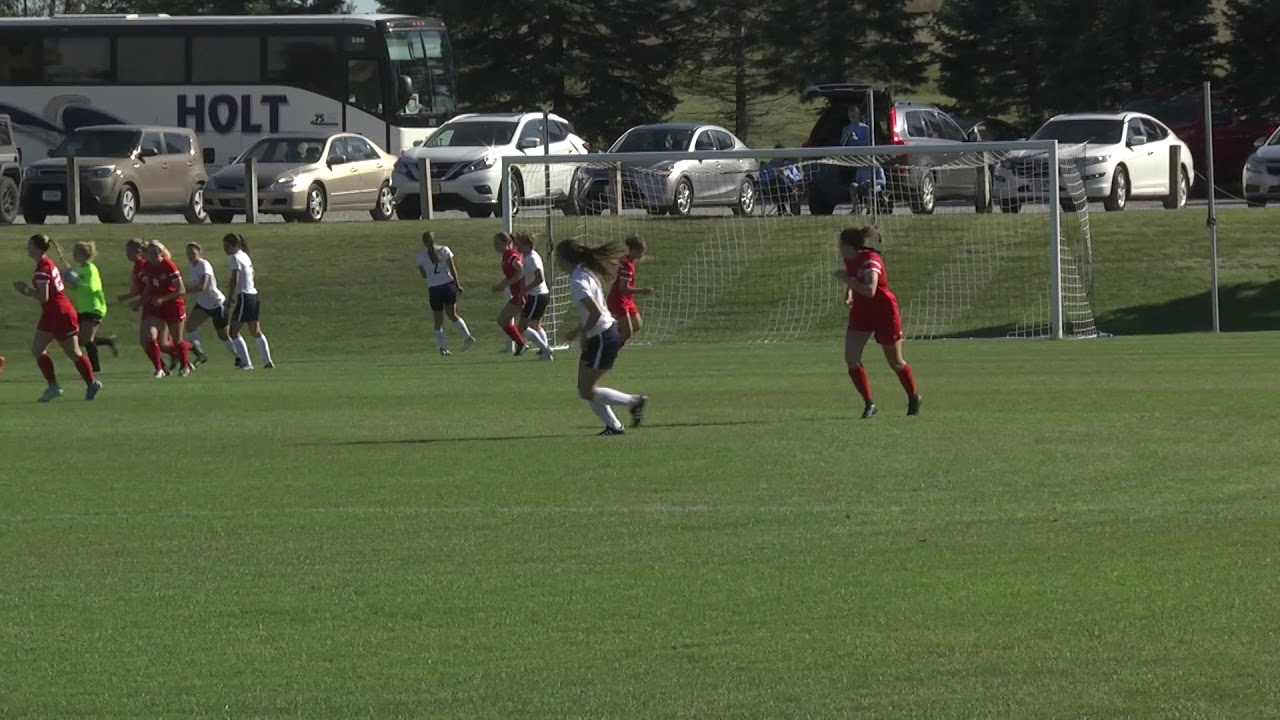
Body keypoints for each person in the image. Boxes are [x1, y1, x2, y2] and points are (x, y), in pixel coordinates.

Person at [556, 239, 647, 436]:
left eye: (557, 258)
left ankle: (634, 402)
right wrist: (580, 331)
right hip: (601, 335)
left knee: (587, 390)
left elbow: (596, 313)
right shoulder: (584, 273)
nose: (556, 262)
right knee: (585, 389)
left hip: (603, 337)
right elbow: (593, 313)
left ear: (564, 259)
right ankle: (614, 426)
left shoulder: (578, 280)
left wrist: (582, 334)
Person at [834, 226, 921, 418]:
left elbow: (870, 290)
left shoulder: (871, 261)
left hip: (884, 313)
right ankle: (869, 404)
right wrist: (849, 293)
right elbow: (855, 282)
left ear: (849, 246)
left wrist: (847, 280)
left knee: (896, 362)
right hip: (862, 313)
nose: (838, 248)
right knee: (851, 360)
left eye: (840, 244)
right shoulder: (849, 259)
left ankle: (913, 397)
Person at [11, 233, 102, 402]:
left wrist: (25, 290)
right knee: (65, 351)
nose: (27, 248)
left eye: (30, 245)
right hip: (59, 311)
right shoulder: (47, 263)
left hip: (57, 312)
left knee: (46, 350)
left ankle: (58, 386)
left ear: (37, 249)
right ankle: (87, 383)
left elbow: (43, 297)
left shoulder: (43, 268)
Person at [118, 237, 173, 373]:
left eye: (128, 251)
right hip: (148, 304)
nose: (126, 254)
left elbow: (150, 288)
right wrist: (126, 297)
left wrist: (138, 301)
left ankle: (165, 366)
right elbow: (139, 289)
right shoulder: (137, 266)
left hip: (155, 305)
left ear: (137, 251)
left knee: (151, 339)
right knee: (152, 342)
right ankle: (165, 366)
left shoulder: (144, 265)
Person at [416, 231, 475, 356]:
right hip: (448, 286)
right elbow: (452, 268)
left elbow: (424, 275)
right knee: (452, 314)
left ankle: (442, 348)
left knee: (438, 321)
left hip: (434, 288)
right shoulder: (444, 250)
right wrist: (458, 285)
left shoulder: (421, 256)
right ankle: (467, 337)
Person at [62, 241, 117, 373]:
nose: (74, 255)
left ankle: (95, 368)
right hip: (83, 308)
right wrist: (67, 279)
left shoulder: (91, 269)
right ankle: (108, 341)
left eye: (76, 253)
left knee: (87, 339)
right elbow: (76, 288)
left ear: (82, 254)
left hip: (94, 307)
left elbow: (91, 287)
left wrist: (75, 278)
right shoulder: (79, 270)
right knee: (82, 339)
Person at [140, 240, 193, 378]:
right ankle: (159, 369)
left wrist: (163, 299)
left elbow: (181, 290)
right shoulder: (147, 266)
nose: (149, 256)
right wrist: (140, 301)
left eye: (152, 253)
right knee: (149, 336)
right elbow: (149, 287)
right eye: (148, 253)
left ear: (160, 253)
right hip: (157, 308)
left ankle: (185, 365)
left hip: (173, 305)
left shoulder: (168, 265)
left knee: (177, 341)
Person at [222, 233, 274, 370]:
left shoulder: (235, 258)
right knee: (255, 331)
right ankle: (267, 361)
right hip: (253, 295)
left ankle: (246, 363)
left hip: (245, 296)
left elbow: (235, 277)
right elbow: (252, 272)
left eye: (226, 246)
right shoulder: (245, 255)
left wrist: (230, 296)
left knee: (233, 332)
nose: (225, 249)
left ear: (234, 245)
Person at [184, 242, 236, 366]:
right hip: (203, 304)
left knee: (223, 336)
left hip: (216, 303)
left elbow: (203, 286)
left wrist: (184, 291)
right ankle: (200, 354)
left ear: (199, 252)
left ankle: (240, 357)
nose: (190, 255)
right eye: (188, 253)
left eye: (193, 252)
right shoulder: (190, 266)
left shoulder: (204, 264)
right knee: (190, 327)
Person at [607, 235, 654, 347]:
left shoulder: (627, 260)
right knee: (627, 332)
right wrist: (643, 290)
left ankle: (611, 335)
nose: (642, 255)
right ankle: (610, 349)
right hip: (619, 300)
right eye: (640, 252)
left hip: (627, 300)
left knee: (637, 325)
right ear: (633, 250)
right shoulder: (627, 266)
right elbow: (623, 289)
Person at [513, 232, 553, 360]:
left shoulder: (532, 258)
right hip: (539, 295)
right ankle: (545, 351)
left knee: (522, 327)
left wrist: (526, 288)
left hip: (537, 295)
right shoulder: (526, 257)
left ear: (525, 244)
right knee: (536, 326)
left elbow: (540, 277)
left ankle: (545, 350)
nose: (516, 246)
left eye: (518, 243)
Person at [491, 232, 528, 356]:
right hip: (517, 294)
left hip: (521, 294)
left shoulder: (512, 255)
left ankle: (522, 344)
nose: (495, 246)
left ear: (506, 243)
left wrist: (505, 285)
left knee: (503, 320)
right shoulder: (506, 256)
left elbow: (521, 271)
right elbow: (511, 275)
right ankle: (523, 344)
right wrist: (500, 286)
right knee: (507, 321)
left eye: (497, 243)